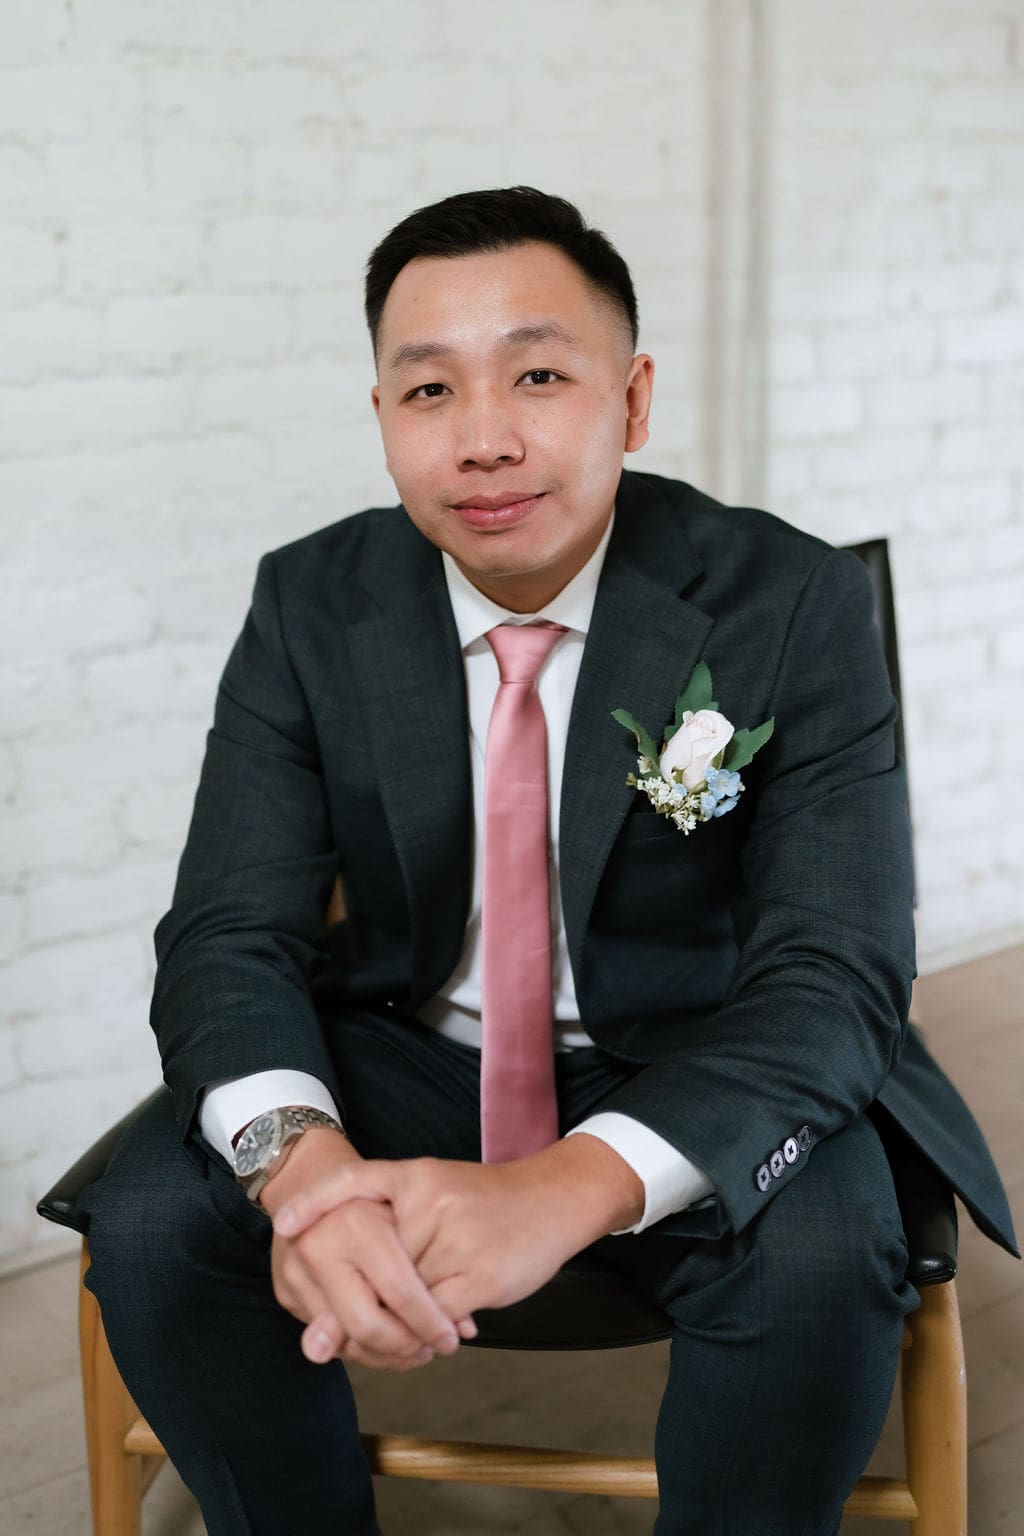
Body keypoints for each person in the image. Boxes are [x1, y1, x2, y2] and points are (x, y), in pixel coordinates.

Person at [74, 186, 1017, 1536]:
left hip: (693, 1040)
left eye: (537, 374)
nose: (486, 438)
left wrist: (563, 1188)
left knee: (820, 1249)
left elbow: (837, 972)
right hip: (406, 1045)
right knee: (162, 1217)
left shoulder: (792, 603)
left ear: (630, 404)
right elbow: (229, 928)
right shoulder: (310, 602)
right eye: (429, 392)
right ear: (384, 421)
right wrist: (312, 1173)